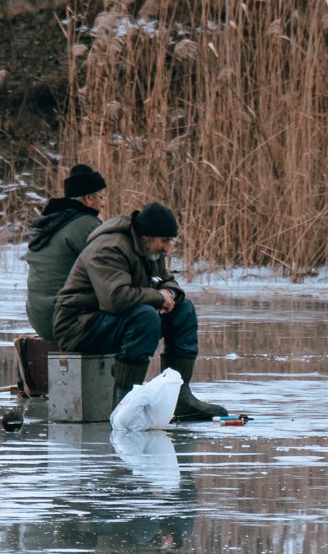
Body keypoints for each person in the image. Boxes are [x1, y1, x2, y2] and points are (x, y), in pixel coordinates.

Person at [52, 201, 227, 421]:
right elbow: (115, 299)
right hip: (79, 327)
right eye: (165, 241)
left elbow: (168, 282)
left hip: (112, 320)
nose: (168, 248)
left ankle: (179, 398)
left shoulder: (149, 249)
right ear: (146, 237)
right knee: (144, 317)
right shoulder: (109, 248)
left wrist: (169, 294)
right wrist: (158, 298)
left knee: (184, 311)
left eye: (170, 241)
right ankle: (125, 404)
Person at [23, 164, 107, 341]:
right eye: (101, 197)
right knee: (138, 316)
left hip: (40, 320)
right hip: (66, 322)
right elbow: (108, 271)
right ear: (88, 199)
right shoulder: (87, 224)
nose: (103, 203)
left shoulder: (51, 221)